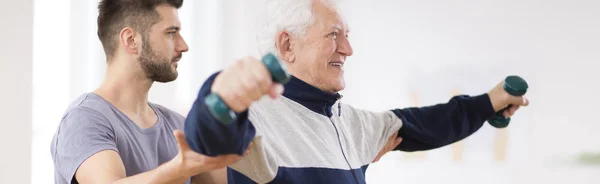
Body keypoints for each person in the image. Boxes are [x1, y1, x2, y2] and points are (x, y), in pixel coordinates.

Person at [183, 0, 529, 183]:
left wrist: (489, 103)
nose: (348, 49)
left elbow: (424, 123)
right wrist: (220, 94)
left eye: (347, 36)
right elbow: (210, 137)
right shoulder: (253, 118)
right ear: (287, 45)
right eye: (334, 35)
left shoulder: (347, 122)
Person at [50, 0, 246, 183]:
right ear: (131, 40)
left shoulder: (177, 126)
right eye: (171, 32)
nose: (183, 46)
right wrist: (178, 169)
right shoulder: (84, 119)